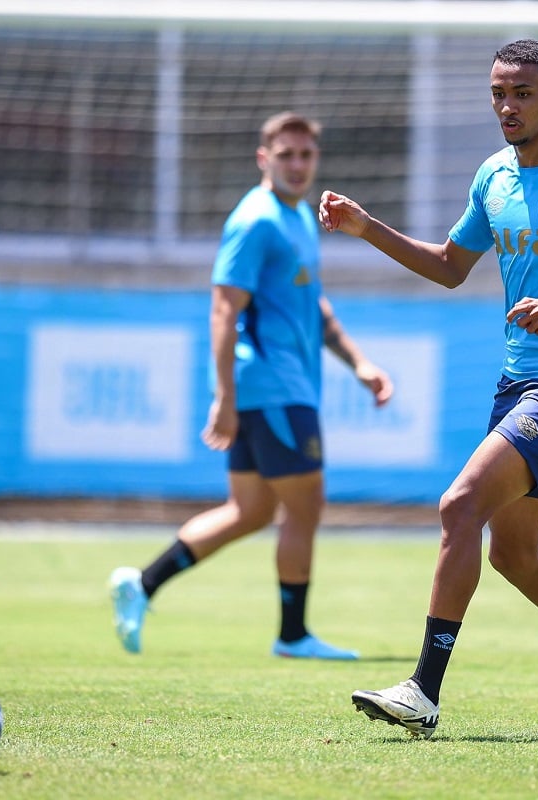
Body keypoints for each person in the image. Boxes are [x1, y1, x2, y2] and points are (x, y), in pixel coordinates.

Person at [318, 39, 538, 738]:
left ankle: (423, 691)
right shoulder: (493, 176)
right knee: (513, 554)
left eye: (521, 93)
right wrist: (368, 229)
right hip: (518, 382)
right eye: (497, 93)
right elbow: (452, 266)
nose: (507, 106)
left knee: (459, 504)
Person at [108, 111, 393, 661]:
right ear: (264, 159)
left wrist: (357, 363)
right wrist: (225, 397)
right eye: (285, 155)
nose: (297, 164)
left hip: (278, 387)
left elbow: (312, 305)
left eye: (305, 155)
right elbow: (222, 308)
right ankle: (293, 636)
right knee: (305, 507)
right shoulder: (257, 220)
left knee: (252, 512)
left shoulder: (300, 217)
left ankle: (141, 584)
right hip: (273, 388)